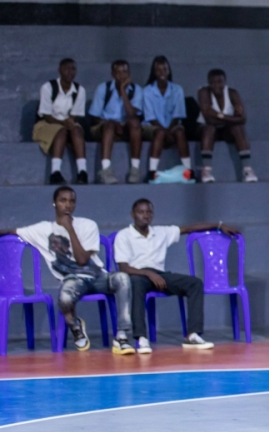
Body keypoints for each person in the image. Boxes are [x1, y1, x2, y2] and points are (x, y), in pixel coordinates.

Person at [1, 187, 135, 355]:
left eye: (71, 201)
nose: (67, 205)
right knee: (64, 299)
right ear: (54, 203)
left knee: (122, 278)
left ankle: (122, 336)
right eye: (62, 201)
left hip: (97, 276)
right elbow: (11, 231)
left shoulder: (87, 225)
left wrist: (69, 228)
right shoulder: (42, 229)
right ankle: (75, 325)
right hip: (72, 280)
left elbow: (82, 260)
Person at [114, 199, 236, 353]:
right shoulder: (124, 236)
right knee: (136, 284)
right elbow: (123, 267)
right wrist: (148, 273)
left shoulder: (160, 232)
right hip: (138, 274)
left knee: (195, 283)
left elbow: (188, 228)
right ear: (133, 215)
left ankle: (193, 335)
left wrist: (218, 225)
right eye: (141, 212)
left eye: (148, 212)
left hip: (160, 276)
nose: (145, 216)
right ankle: (141, 338)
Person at [196, 69, 258, 183]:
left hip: (227, 130)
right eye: (213, 82)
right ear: (209, 83)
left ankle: (247, 169)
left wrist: (219, 116)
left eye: (220, 82)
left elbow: (243, 119)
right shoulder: (203, 92)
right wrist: (231, 118)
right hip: (207, 129)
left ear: (224, 82)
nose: (217, 85)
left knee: (238, 128)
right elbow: (208, 118)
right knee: (209, 128)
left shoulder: (232, 93)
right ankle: (207, 170)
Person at [89, 60, 144, 185]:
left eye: (124, 72)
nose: (122, 75)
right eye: (118, 72)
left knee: (135, 123)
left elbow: (131, 115)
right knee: (109, 125)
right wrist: (113, 124)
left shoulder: (137, 90)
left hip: (126, 126)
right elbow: (94, 117)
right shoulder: (103, 88)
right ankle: (106, 170)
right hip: (104, 126)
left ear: (129, 73)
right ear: (112, 74)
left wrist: (123, 92)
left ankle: (135, 169)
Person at [34, 58, 87, 185]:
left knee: (77, 130)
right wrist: (64, 123)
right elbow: (46, 115)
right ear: (59, 71)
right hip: (47, 123)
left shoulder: (80, 90)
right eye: (66, 69)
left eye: (73, 69)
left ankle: (82, 172)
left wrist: (71, 121)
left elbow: (75, 114)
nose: (70, 72)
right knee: (62, 130)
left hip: (67, 123)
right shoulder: (48, 87)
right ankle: (55, 172)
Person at [142, 56, 191, 182]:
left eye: (164, 69)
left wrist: (169, 131)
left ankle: (188, 171)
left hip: (172, 126)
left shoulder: (177, 89)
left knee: (180, 132)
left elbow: (177, 114)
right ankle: (152, 172)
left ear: (169, 71)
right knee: (159, 133)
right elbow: (151, 117)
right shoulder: (147, 91)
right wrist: (164, 132)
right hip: (153, 126)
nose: (162, 72)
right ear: (154, 72)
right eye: (158, 69)